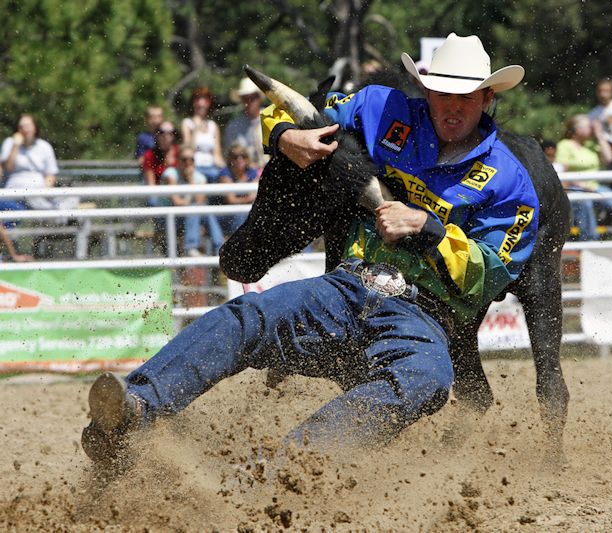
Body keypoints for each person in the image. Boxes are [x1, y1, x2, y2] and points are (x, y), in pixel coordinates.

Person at [81, 33, 538, 464]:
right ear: (426, 91)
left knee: (427, 380)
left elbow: (491, 274)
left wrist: (429, 228)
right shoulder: (382, 109)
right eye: (443, 95)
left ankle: (291, 464)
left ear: (488, 98)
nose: (452, 109)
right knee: (250, 316)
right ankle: (136, 408)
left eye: (466, 97)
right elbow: (303, 109)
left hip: (423, 316)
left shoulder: (512, 184)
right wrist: (284, 138)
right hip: (349, 285)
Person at [555, 114, 612, 240]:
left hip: (594, 188)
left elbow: (609, 159)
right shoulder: (565, 145)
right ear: (577, 129)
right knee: (585, 203)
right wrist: (580, 185)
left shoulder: (591, 145)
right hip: (574, 188)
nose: (591, 129)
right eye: (588, 126)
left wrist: (600, 136)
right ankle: (590, 240)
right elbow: (561, 171)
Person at [0, 114, 79, 216]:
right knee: (34, 199)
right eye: (22, 126)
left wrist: (44, 190)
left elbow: (50, 175)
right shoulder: (10, 143)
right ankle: (53, 215)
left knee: (72, 196)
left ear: (35, 127)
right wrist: (15, 146)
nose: (25, 129)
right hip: (16, 191)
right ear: (17, 129)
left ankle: (53, 215)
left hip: (39, 193)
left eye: (28, 126)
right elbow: (7, 168)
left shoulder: (44, 146)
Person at [160, 145, 225, 257]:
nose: (188, 162)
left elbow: (199, 201)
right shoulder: (171, 174)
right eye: (184, 159)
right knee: (196, 208)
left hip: (192, 217)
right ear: (178, 160)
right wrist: (191, 184)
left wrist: (191, 180)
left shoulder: (200, 178)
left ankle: (218, 247)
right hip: (170, 219)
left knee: (205, 211)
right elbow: (176, 202)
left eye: (191, 159)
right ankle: (194, 246)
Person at [182, 86, 225, 183]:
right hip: (195, 167)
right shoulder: (187, 123)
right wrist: (196, 129)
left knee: (223, 176)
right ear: (193, 103)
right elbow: (188, 151)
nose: (201, 104)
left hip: (212, 167)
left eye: (205, 100)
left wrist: (226, 170)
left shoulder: (213, 126)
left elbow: (217, 155)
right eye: (197, 100)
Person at [224, 78, 267, 170]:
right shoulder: (233, 126)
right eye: (245, 98)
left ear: (259, 98)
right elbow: (229, 156)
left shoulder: (270, 120)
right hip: (243, 174)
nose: (249, 101)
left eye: (253, 97)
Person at [218, 144, 258, 234]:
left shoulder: (251, 171)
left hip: (245, 212)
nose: (240, 160)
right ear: (230, 159)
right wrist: (247, 198)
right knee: (241, 213)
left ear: (247, 159)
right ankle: (239, 246)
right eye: (235, 157)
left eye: (243, 156)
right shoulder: (225, 172)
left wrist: (243, 199)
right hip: (226, 215)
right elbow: (231, 200)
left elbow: (254, 196)